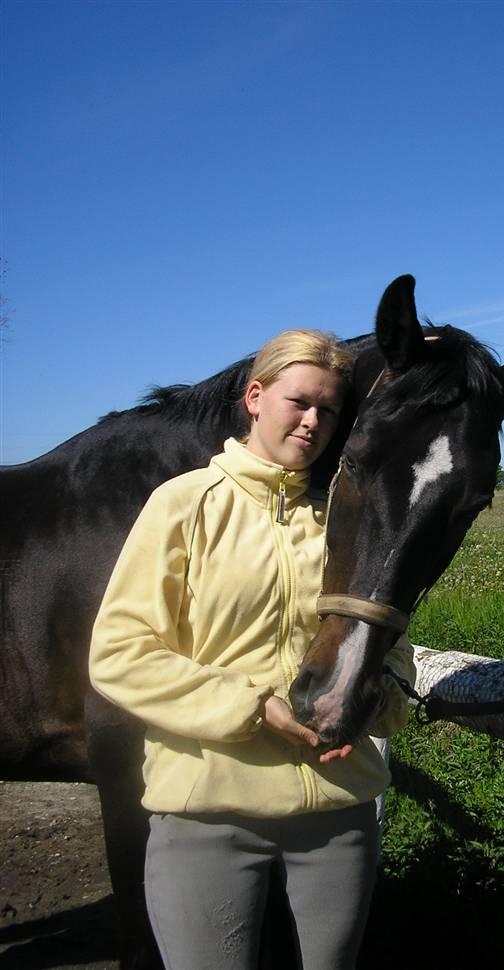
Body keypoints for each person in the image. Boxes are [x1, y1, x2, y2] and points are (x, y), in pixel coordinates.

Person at [89, 329, 416, 970]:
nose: (314, 421)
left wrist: (372, 701)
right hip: (208, 814)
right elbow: (120, 652)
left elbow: (387, 640)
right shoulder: (183, 506)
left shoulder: (343, 516)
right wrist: (255, 707)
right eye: (299, 401)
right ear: (256, 397)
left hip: (338, 812)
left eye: (328, 409)